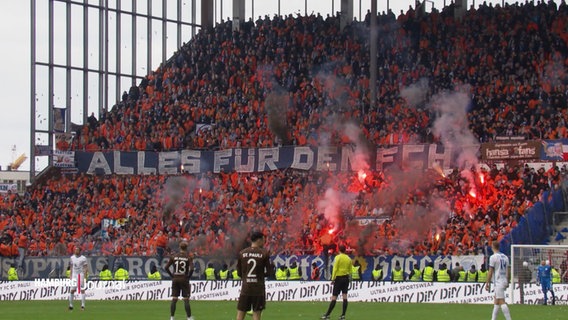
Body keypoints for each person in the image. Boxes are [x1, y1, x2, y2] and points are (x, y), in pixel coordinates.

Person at [235, 231, 272, 320]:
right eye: (264, 239)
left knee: (240, 314)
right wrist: (260, 275)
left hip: (246, 288)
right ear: (259, 240)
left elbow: (239, 273)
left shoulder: (242, 253)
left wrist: (246, 277)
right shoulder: (264, 253)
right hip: (258, 289)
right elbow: (269, 272)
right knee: (256, 314)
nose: (264, 241)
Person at [164, 241, 194, 320]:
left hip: (175, 278)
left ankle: (172, 317)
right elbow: (192, 269)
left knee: (174, 299)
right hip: (184, 278)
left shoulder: (174, 256)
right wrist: (188, 277)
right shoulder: (188, 257)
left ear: (179, 247)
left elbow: (166, 267)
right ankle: (189, 318)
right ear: (186, 248)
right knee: (186, 299)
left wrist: (172, 276)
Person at [321, 245, 352, 320]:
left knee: (334, 297)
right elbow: (350, 270)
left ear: (339, 250)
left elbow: (335, 268)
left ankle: (327, 315)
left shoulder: (337, 257)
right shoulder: (348, 258)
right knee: (345, 296)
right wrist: (350, 279)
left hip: (339, 278)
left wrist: (333, 279)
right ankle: (343, 315)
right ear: (345, 250)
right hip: (346, 278)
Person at [485, 241, 512, 320]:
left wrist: (487, 283)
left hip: (498, 281)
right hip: (504, 280)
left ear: (492, 247)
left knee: (501, 301)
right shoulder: (505, 257)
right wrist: (508, 280)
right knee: (496, 301)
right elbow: (508, 270)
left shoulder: (493, 257)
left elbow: (490, 271)